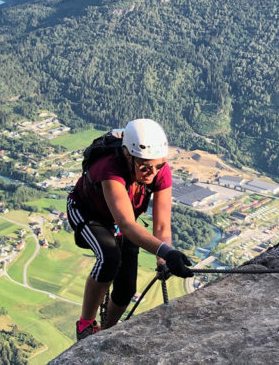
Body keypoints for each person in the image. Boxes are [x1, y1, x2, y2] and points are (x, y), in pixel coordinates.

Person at [66, 118, 193, 341]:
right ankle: (85, 325)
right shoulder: (110, 169)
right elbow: (126, 224)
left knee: (126, 288)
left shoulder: (159, 170)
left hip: (123, 221)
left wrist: (163, 260)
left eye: (158, 166)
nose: (152, 173)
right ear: (128, 156)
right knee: (109, 256)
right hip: (87, 213)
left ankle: (106, 332)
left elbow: (161, 225)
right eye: (145, 167)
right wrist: (166, 252)